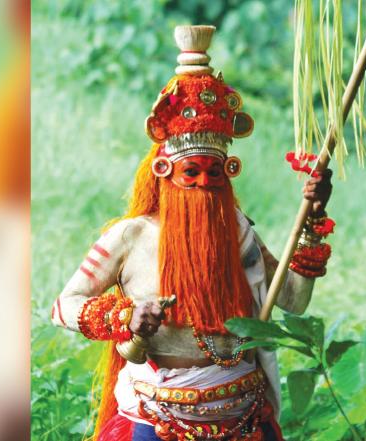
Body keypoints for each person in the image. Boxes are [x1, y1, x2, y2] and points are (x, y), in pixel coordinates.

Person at [51, 25, 334, 441]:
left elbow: (292, 300)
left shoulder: (239, 234)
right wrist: (126, 317)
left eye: (215, 173)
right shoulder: (131, 237)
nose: (204, 184)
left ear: (229, 175)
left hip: (242, 412)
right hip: (156, 416)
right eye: (192, 172)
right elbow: (63, 306)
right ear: (164, 172)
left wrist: (312, 221)